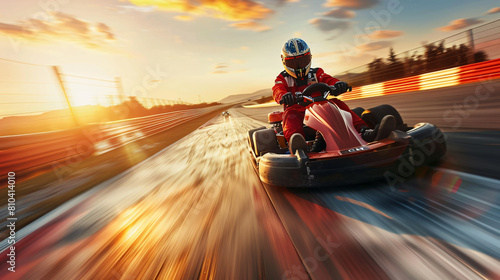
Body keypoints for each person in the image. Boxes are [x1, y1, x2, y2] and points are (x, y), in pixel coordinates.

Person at [272, 38, 395, 153]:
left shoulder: (316, 73)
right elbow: (277, 90)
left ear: (309, 58)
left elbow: (328, 79)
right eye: (294, 62)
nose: (299, 66)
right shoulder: (282, 78)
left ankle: (364, 131)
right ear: (285, 62)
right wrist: (284, 96)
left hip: (320, 108)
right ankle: (298, 144)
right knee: (290, 114)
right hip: (298, 111)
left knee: (337, 103)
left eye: (302, 61)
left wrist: (338, 84)